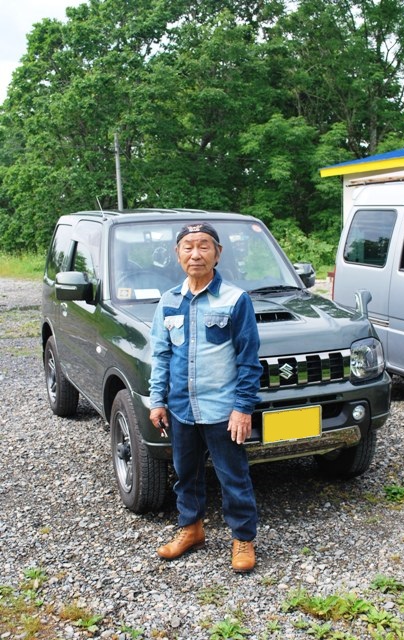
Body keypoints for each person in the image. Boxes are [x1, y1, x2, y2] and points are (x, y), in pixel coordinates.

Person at [149, 222, 263, 572]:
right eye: (188, 246)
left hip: (223, 410)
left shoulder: (235, 300)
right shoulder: (169, 302)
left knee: (233, 476)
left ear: (218, 253)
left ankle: (243, 538)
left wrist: (242, 408)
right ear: (178, 254)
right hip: (181, 408)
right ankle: (192, 529)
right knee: (186, 474)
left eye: (204, 246)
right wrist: (157, 400)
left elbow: (249, 361)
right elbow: (161, 355)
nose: (196, 254)